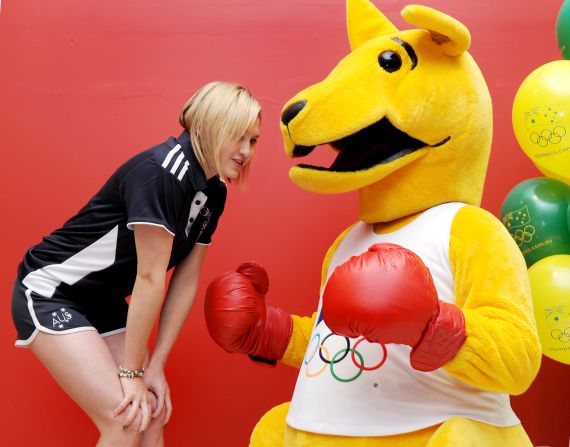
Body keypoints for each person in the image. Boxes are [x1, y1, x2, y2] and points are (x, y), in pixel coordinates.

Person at [11, 81, 261, 447]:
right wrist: (131, 372)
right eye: (239, 136)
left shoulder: (213, 192)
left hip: (102, 300)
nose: (246, 151)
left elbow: (186, 280)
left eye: (253, 141)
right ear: (211, 125)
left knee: (152, 412)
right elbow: (148, 277)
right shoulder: (161, 172)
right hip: (51, 290)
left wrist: (155, 365)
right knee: (126, 419)